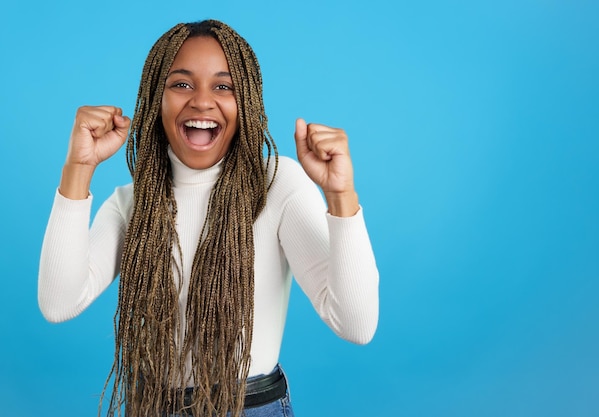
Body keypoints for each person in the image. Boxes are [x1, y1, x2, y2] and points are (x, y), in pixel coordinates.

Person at [38, 19, 378, 417]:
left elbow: (356, 325)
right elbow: (58, 303)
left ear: (246, 101)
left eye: (223, 86)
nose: (201, 101)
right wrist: (78, 168)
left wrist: (340, 195)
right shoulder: (133, 204)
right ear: (155, 100)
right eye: (181, 84)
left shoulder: (277, 184)